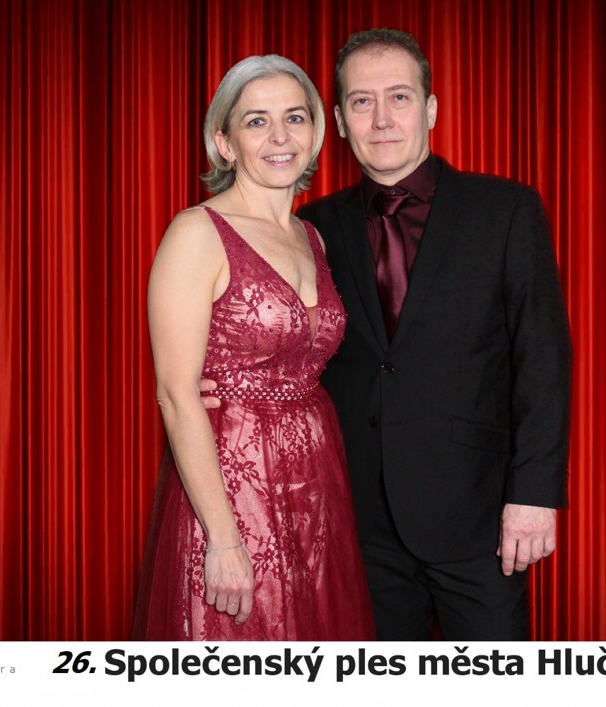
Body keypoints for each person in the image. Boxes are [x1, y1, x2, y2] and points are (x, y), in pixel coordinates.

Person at [295, 28, 573, 640]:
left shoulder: (506, 211)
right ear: (338, 122)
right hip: (357, 522)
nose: (382, 118)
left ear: (431, 108)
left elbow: (544, 359)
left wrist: (535, 494)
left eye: (399, 97)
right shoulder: (311, 227)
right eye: (362, 101)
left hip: (479, 517)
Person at [132, 54, 375, 640]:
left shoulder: (311, 235)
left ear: (316, 131)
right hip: (234, 488)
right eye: (256, 121)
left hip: (316, 481)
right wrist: (222, 537)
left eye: (295, 117)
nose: (280, 136)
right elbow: (176, 394)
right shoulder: (196, 233)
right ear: (225, 142)